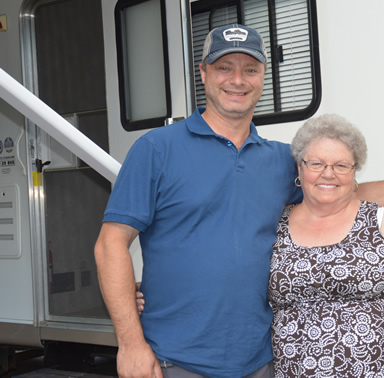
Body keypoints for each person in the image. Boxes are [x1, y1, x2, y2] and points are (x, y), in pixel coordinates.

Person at [94, 24, 301, 378]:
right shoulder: (156, 149)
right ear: (203, 73)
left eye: (250, 69)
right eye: (224, 67)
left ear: (263, 76)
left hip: (259, 359)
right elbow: (110, 243)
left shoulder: (284, 161)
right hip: (174, 360)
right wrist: (130, 343)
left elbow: (340, 198)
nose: (238, 80)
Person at [267, 114, 384, 377]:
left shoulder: (382, 220)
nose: (328, 174)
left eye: (341, 165)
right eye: (317, 163)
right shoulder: (276, 225)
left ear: (355, 172)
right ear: (299, 168)